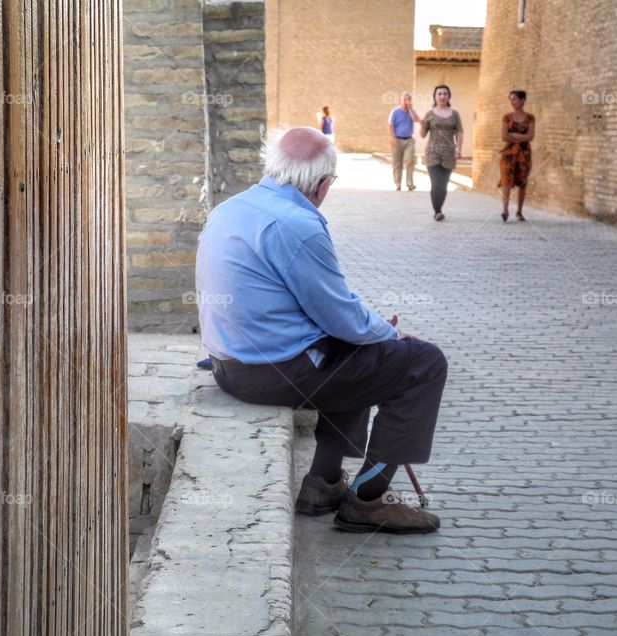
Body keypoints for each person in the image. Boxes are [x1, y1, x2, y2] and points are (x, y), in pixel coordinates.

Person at [195, 127, 448, 534]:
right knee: (425, 364)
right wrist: (390, 334)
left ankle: (323, 484)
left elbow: (332, 313)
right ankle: (368, 500)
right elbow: (340, 316)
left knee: (356, 355)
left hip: (230, 367)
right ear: (324, 184)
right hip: (270, 374)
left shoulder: (230, 208)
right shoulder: (298, 224)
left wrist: (371, 333)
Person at [419, 84, 463, 221]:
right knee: (435, 182)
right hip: (432, 151)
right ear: (435, 97)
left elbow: (460, 132)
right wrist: (422, 125)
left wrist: (459, 148)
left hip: (449, 152)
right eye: (439, 94)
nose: (442, 96)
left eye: (445, 94)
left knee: (444, 184)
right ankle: (437, 211)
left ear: (449, 96)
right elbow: (423, 135)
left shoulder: (454, 114)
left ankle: (439, 208)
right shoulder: (429, 114)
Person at [499, 90, 535, 222]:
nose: (512, 102)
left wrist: (514, 135)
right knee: (506, 180)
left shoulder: (530, 118)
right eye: (511, 99)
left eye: (514, 99)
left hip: (524, 154)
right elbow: (504, 136)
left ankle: (519, 212)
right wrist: (522, 137)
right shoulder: (507, 117)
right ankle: (505, 210)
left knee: (522, 182)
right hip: (508, 153)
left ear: (522, 100)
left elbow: (531, 136)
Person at [388, 92, 419, 191]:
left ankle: (410, 183)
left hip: (409, 140)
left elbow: (416, 120)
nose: (406, 102)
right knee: (397, 163)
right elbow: (390, 125)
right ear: (400, 101)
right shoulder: (395, 112)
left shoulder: (412, 111)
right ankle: (398, 184)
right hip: (397, 139)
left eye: (408, 100)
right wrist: (392, 137)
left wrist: (410, 109)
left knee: (410, 161)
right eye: (404, 100)